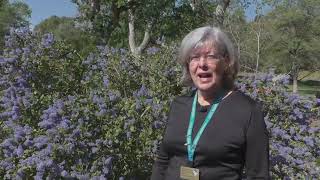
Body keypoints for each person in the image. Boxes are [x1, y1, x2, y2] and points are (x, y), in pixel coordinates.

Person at [151, 26, 269, 180]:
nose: (202, 63)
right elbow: (163, 160)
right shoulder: (179, 105)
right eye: (194, 57)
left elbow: (258, 175)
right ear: (188, 64)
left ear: (226, 61)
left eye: (211, 56)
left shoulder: (248, 111)